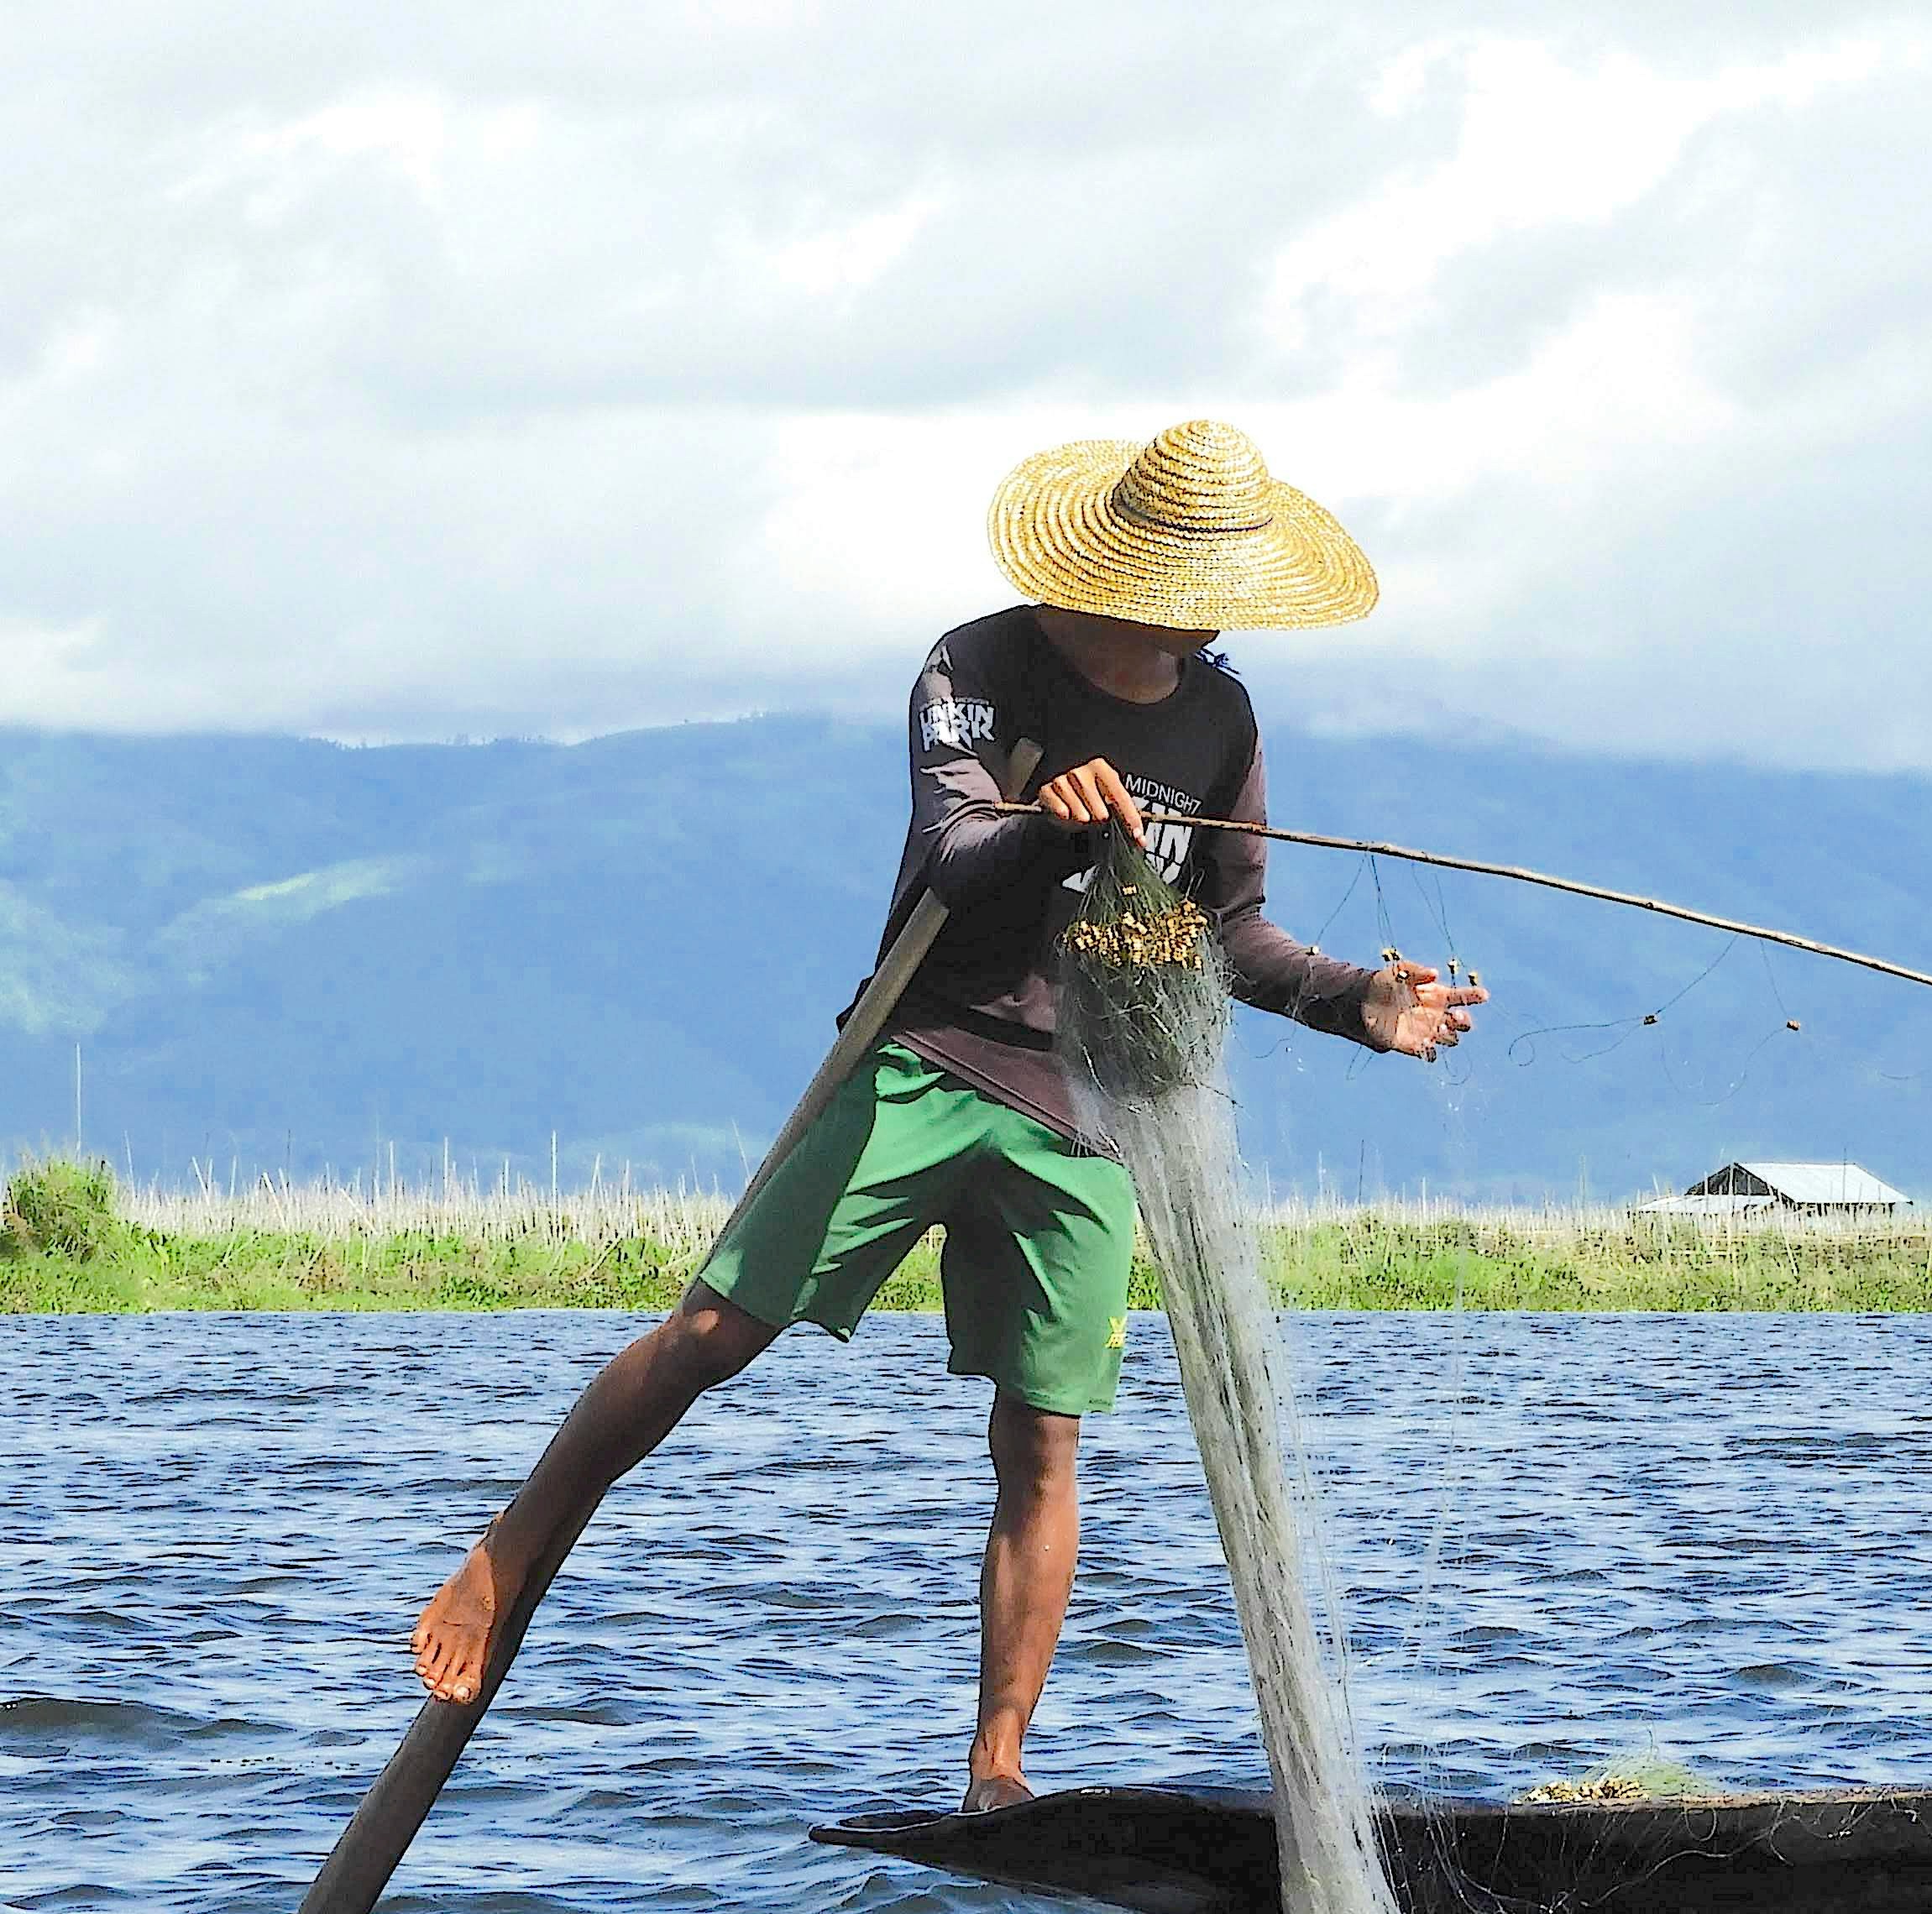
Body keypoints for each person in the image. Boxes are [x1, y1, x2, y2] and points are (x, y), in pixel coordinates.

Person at [407, 418, 1484, 1812]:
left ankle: (997, 1766)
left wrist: (1356, 1001)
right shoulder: (978, 665)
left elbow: (1229, 934)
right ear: (1123, 564)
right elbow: (953, 851)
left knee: (1044, 1434)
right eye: (1189, 573)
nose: (1211, 605)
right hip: (929, 1056)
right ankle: (511, 1546)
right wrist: (1048, 816)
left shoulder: (1220, 719)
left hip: (1099, 1106)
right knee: (718, 1329)